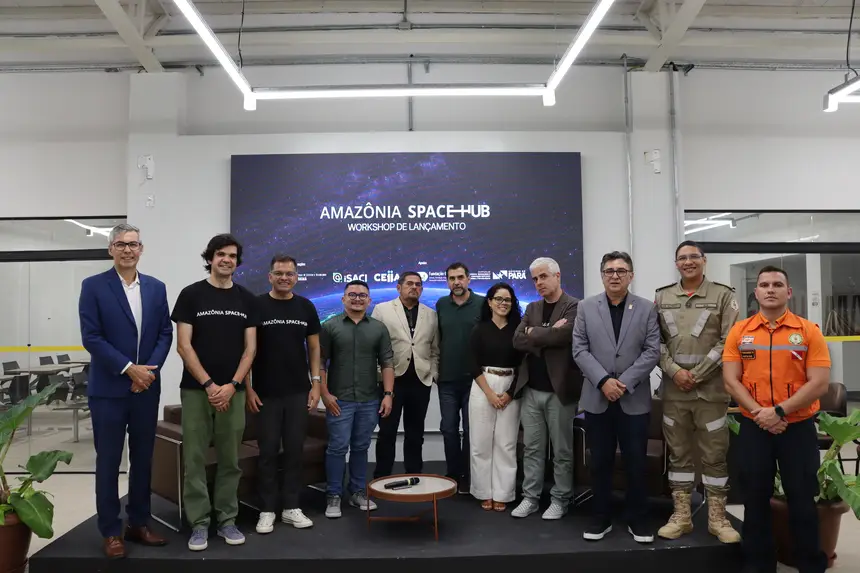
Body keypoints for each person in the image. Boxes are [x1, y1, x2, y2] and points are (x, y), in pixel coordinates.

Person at [722, 265, 831, 573]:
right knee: (755, 499)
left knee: (802, 499)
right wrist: (762, 415)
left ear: (789, 292)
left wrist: (779, 411)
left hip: (797, 429)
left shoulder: (808, 331)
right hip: (755, 428)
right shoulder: (740, 332)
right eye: (765, 285)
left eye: (777, 284)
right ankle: (758, 564)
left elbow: (819, 383)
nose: (770, 289)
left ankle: (810, 565)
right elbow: (731, 381)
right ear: (756, 292)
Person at [78, 224, 173, 559]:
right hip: (108, 390)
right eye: (121, 244)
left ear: (141, 249)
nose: (128, 250)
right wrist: (129, 368)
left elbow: (165, 333)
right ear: (111, 250)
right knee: (108, 461)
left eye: (133, 244)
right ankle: (110, 530)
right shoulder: (93, 286)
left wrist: (148, 372)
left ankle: (139, 523)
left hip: (146, 389)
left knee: (143, 459)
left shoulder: (156, 288)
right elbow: (91, 337)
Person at [171, 233, 259, 551]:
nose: (226, 260)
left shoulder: (246, 299)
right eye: (221, 254)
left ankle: (226, 520)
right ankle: (199, 524)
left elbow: (250, 350)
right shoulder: (191, 295)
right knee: (194, 459)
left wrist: (232, 385)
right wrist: (210, 385)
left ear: (237, 262)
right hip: (197, 392)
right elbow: (184, 346)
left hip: (233, 392)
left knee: (230, 460)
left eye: (232, 256)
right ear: (210, 258)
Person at [655, 241, 741, 543]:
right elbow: (655, 341)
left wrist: (697, 374)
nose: (688, 262)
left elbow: (729, 340)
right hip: (674, 392)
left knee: (715, 456)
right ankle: (681, 516)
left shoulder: (723, 295)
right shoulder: (662, 296)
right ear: (676, 263)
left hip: (711, 393)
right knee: (678, 455)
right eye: (682, 258)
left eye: (694, 257)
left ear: (704, 260)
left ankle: (718, 519)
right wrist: (675, 372)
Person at [572, 251, 660, 544]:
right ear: (602, 275)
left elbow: (652, 351)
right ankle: (600, 517)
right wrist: (603, 381)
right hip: (597, 398)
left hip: (633, 398)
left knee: (635, 462)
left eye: (621, 271)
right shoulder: (586, 307)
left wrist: (622, 383)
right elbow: (579, 350)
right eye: (609, 271)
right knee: (600, 462)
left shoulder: (647, 308)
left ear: (631, 276)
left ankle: (638, 518)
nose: (615, 276)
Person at [246, 254, 321, 534]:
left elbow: (314, 348)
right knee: (267, 452)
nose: (284, 278)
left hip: (298, 391)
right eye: (279, 273)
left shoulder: (305, 306)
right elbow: (248, 350)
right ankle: (267, 509)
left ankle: (291, 507)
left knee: (293, 451)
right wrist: (248, 387)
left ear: (296, 277)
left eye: (289, 274)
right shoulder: (256, 305)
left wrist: (316, 384)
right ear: (270, 276)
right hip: (264, 393)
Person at [510, 257, 584, 520]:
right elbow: (517, 340)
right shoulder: (532, 307)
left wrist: (536, 333)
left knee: (562, 450)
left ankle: (560, 499)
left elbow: (565, 336)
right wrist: (548, 332)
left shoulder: (575, 306)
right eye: (535, 279)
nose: (539, 282)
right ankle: (530, 498)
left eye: (543, 276)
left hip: (560, 391)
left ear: (557, 276)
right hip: (531, 389)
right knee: (532, 448)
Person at [320, 280, 395, 518]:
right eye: (352, 294)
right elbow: (319, 363)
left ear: (369, 300)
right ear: (343, 299)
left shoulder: (378, 328)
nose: (357, 298)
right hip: (339, 399)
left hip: (369, 399)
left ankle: (357, 492)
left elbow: (387, 363)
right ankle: (333, 495)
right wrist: (324, 394)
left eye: (362, 295)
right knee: (337, 447)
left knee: (361, 446)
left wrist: (388, 394)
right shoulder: (330, 326)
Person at [371, 271, 439, 478]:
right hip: (391, 383)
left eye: (418, 284)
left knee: (415, 433)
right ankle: (382, 477)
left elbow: (435, 349)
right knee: (387, 432)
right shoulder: (382, 310)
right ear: (399, 287)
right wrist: (379, 375)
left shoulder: (431, 314)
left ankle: (414, 475)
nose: (414, 287)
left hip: (420, 382)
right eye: (409, 283)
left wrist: (433, 373)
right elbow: (373, 346)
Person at [468, 282, 524, 512]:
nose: (503, 303)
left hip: (512, 386)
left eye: (507, 300)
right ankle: (484, 492)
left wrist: (510, 393)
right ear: (489, 302)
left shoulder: (518, 330)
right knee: (480, 443)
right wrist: (490, 394)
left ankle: (503, 493)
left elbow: (524, 364)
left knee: (506, 443)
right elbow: (472, 363)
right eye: (498, 299)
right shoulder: (479, 329)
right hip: (484, 385)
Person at [435, 262, 484, 493]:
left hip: (475, 380)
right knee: (448, 428)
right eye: (452, 278)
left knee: (471, 429)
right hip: (447, 379)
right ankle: (453, 473)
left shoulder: (482, 304)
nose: (456, 282)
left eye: (460, 277)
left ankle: (468, 475)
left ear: (468, 279)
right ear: (447, 281)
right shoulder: (441, 304)